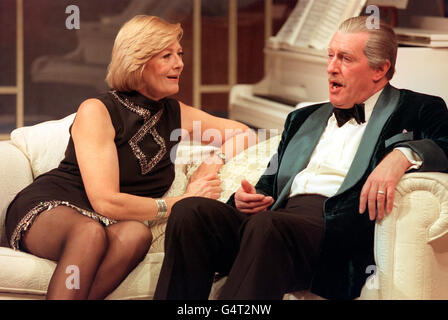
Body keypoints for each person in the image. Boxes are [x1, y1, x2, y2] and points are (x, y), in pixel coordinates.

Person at [153, 16, 448, 300]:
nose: (331, 68)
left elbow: (445, 143)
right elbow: (268, 184)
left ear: (380, 70)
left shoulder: (418, 108)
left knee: (267, 227)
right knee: (190, 213)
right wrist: (249, 199)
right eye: (330, 56)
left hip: (333, 239)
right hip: (275, 225)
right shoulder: (301, 118)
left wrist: (403, 154)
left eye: (345, 59)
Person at [4, 15, 254, 300]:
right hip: (51, 208)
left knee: (137, 234)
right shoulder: (98, 110)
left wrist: (209, 165)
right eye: (167, 55)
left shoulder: (177, 113)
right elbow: (105, 201)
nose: (180, 63)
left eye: (180, 54)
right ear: (139, 61)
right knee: (89, 233)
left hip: (107, 224)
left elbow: (243, 134)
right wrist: (177, 204)